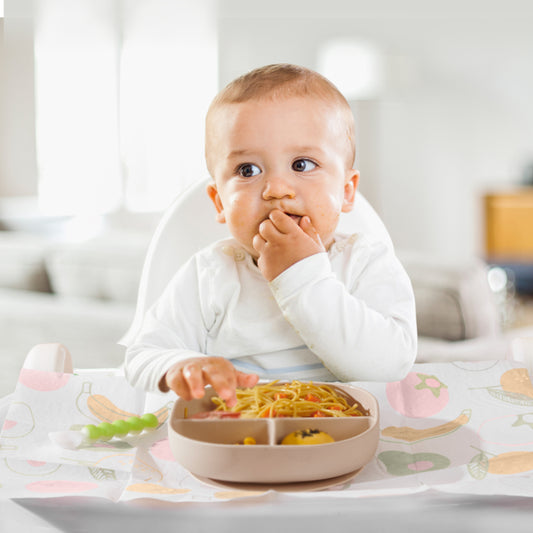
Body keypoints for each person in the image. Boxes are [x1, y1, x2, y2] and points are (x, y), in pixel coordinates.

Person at [124, 63, 417, 406]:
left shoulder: (366, 262)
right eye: (247, 170)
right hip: (236, 442)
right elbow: (141, 356)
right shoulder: (210, 274)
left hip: (339, 437)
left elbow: (391, 366)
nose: (276, 189)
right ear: (219, 201)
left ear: (347, 191)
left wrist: (302, 277)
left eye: (303, 164)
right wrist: (182, 364)